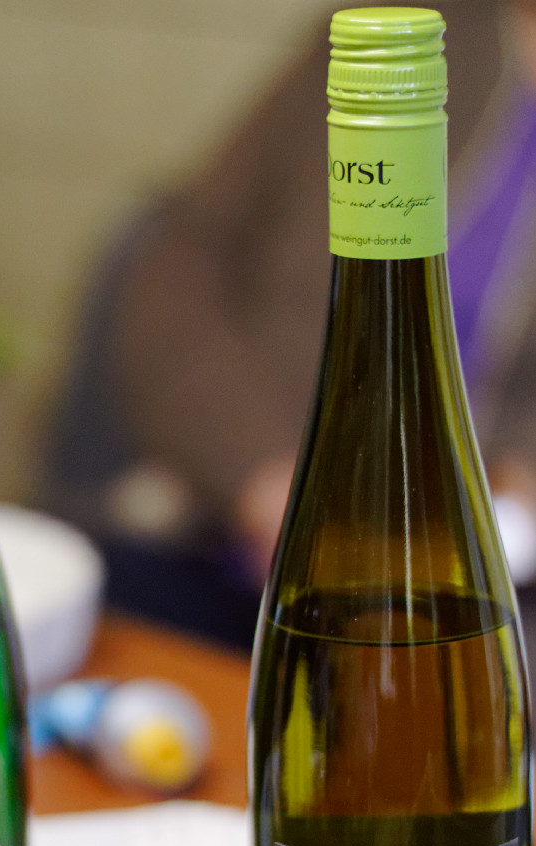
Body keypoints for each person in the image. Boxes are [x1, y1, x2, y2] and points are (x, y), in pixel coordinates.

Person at [39, 0, 536, 644]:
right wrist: (265, 479)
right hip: (225, 537)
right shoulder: (390, 38)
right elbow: (176, 260)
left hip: (461, 585)